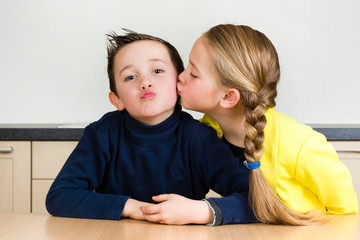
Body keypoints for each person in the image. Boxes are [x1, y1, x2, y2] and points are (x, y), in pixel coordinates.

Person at [45, 29, 256, 226]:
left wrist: (200, 210)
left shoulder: (199, 139)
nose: (145, 82)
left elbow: (255, 201)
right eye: (130, 77)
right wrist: (130, 207)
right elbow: (60, 196)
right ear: (117, 99)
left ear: (179, 83)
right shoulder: (103, 134)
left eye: (157, 70)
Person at [177, 24, 358, 225]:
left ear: (228, 97)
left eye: (193, 74)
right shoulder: (202, 134)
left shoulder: (303, 147)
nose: (180, 77)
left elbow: (347, 215)